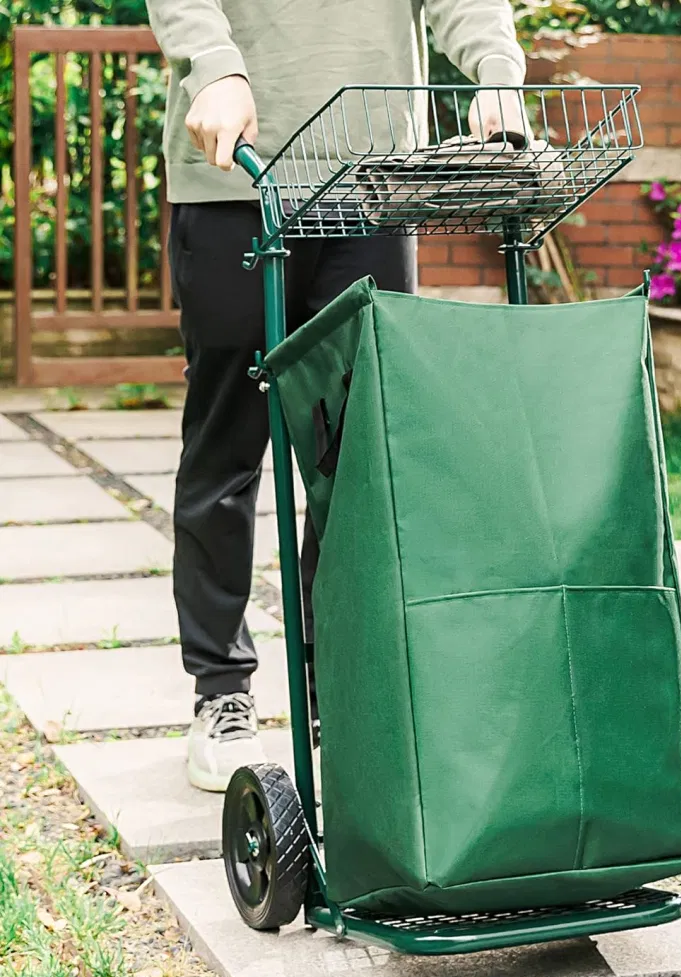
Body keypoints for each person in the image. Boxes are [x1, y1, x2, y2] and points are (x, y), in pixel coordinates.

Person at [145, 0, 527, 791]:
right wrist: (213, 64)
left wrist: (495, 69)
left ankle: (348, 700)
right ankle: (221, 692)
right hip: (232, 171)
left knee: (356, 456)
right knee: (227, 447)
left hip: (372, 179)